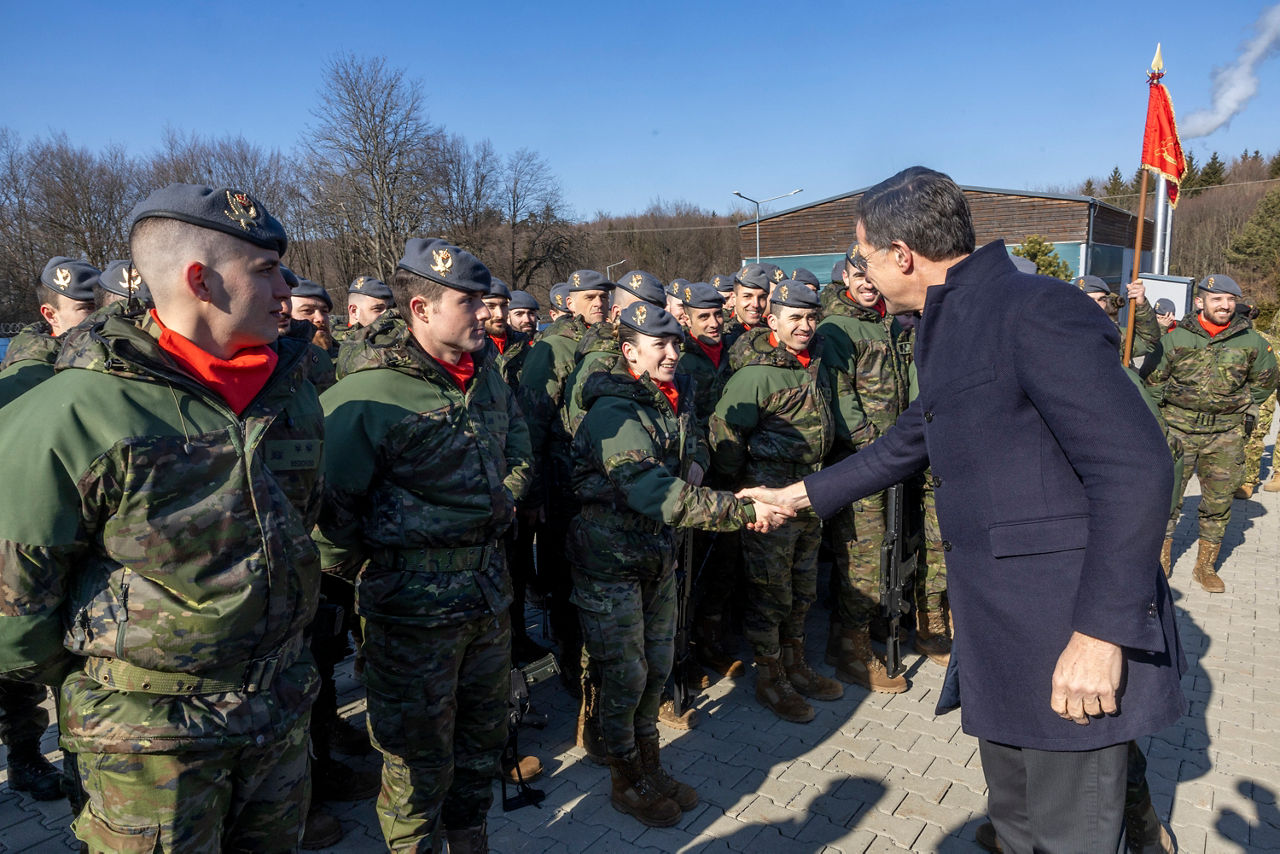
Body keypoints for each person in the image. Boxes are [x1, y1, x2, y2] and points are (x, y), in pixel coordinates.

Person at [742, 167, 1186, 854]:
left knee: (1072, 837)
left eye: (862, 255)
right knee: (1015, 826)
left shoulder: (1034, 308)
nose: (858, 271)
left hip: (1064, 635)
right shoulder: (945, 325)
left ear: (901, 255)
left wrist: (1101, 635)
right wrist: (800, 495)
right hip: (1001, 636)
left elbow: (1136, 468)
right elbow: (912, 437)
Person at [0, 184, 324, 851]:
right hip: (150, 746)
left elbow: (304, 521)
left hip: (279, 715)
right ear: (200, 280)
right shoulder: (76, 413)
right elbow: (15, 611)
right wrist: (109, 690)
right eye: (264, 271)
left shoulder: (289, 394)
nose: (285, 289)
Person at [314, 238, 531, 853]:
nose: (488, 315)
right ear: (420, 308)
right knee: (414, 757)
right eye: (470, 303)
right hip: (411, 615)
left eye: (488, 303)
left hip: (488, 599)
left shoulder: (485, 374)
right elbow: (330, 520)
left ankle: (469, 838)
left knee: (481, 741)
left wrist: (504, 498)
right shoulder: (368, 396)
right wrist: (389, 566)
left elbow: (518, 449)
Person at [568, 301, 789, 827]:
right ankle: (625, 776)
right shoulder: (615, 411)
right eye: (658, 345)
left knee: (656, 668)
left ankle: (649, 763)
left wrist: (693, 458)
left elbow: (687, 438)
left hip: (655, 553)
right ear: (630, 352)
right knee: (625, 674)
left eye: (675, 343)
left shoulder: (668, 395)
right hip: (611, 558)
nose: (672, 353)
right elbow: (652, 491)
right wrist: (741, 510)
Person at [710, 281, 841, 723]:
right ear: (773, 322)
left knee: (803, 588)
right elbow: (726, 439)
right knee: (771, 592)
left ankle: (795, 664)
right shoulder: (755, 375)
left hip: (809, 496)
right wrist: (745, 492)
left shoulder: (815, 364)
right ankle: (770, 677)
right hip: (770, 501)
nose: (805, 326)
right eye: (795, 318)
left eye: (810, 317)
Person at [816, 251, 913, 692]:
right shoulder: (838, 326)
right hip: (861, 459)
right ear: (845, 278)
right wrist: (873, 446)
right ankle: (852, 651)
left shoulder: (882, 320)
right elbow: (839, 395)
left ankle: (847, 636)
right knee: (863, 557)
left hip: (892, 455)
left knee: (881, 552)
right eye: (859, 275)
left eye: (871, 274)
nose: (868, 282)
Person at [1145, 274, 1277, 591]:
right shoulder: (1177, 338)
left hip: (1226, 434)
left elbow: (1266, 380)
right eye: (1218, 299)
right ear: (1200, 301)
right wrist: (1163, 417)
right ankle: (1160, 564)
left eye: (1231, 300)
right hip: (1177, 430)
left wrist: (1240, 405)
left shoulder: (1251, 340)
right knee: (1166, 499)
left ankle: (1205, 567)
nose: (1225, 305)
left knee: (1218, 504)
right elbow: (1153, 379)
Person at [517, 270, 614, 698]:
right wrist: (534, 494)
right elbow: (531, 426)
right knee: (563, 575)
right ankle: (570, 659)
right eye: (590, 297)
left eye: (604, 297)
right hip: (561, 484)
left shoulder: (605, 342)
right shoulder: (555, 348)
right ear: (569, 302)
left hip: (595, 483)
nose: (600, 304)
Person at [675, 282, 746, 681]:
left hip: (732, 471)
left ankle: (712, 640)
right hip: (699, 477)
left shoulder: (735, 351)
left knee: (725, 562)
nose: (715, 322)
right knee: (693, 565)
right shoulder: (681, 358)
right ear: (686, 317)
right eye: (704, 316)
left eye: (718, 314)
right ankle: (684, 650)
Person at [0, 256, 98, 406]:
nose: (103, 315)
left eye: (104, 306)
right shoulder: (21, 384)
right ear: (51, 315)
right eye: (88, 308)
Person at [1075, 275, 1161, 364]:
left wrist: (1140, 304)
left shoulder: (1111, 333)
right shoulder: (1061, 331)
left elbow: (1147, 341)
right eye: (1089, 299)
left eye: (1101, 299)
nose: (1096, 305)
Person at [723, 262, 777, 350]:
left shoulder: (772, 333)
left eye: (761, 297)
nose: (756, 304)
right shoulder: (723, 335)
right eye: (747, 296)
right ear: (733, 298)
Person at [290, 278, 337, 357]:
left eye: (324, 311)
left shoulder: (346, 358)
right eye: (307, 310)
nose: (320, 318)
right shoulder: (278, 364)